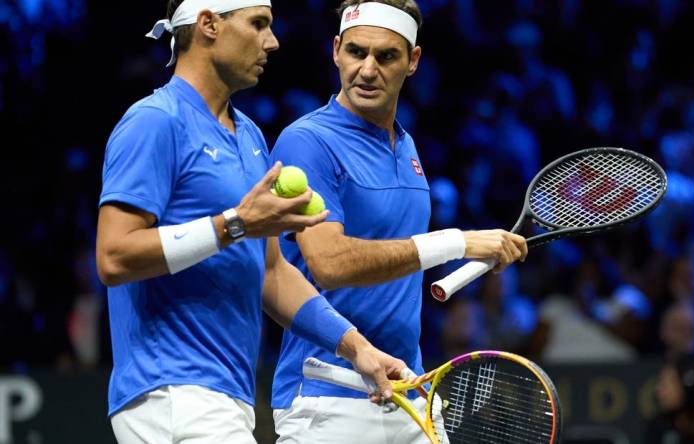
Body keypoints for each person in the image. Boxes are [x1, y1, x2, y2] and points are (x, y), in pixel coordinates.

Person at [96, 1, 405, 442]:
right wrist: (236, 224)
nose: (272, 42)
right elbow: (113, 257)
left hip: (228, 396)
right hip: (170, 390)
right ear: (208, 26)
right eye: (258, 24)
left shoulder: (251, 137)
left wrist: (357, 348)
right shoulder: (154, 121)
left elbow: (273, 273)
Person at [270, 1, 528, 442]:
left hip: (409, 393)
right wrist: (458, 244)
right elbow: (330, 262)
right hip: (328, 396)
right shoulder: (307, 142)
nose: (367, 70)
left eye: (386, 56)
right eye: (356, 52)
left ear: (413, 61)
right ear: (336, 50)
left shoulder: (406, 147)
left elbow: (394, 261)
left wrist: (477, 253)